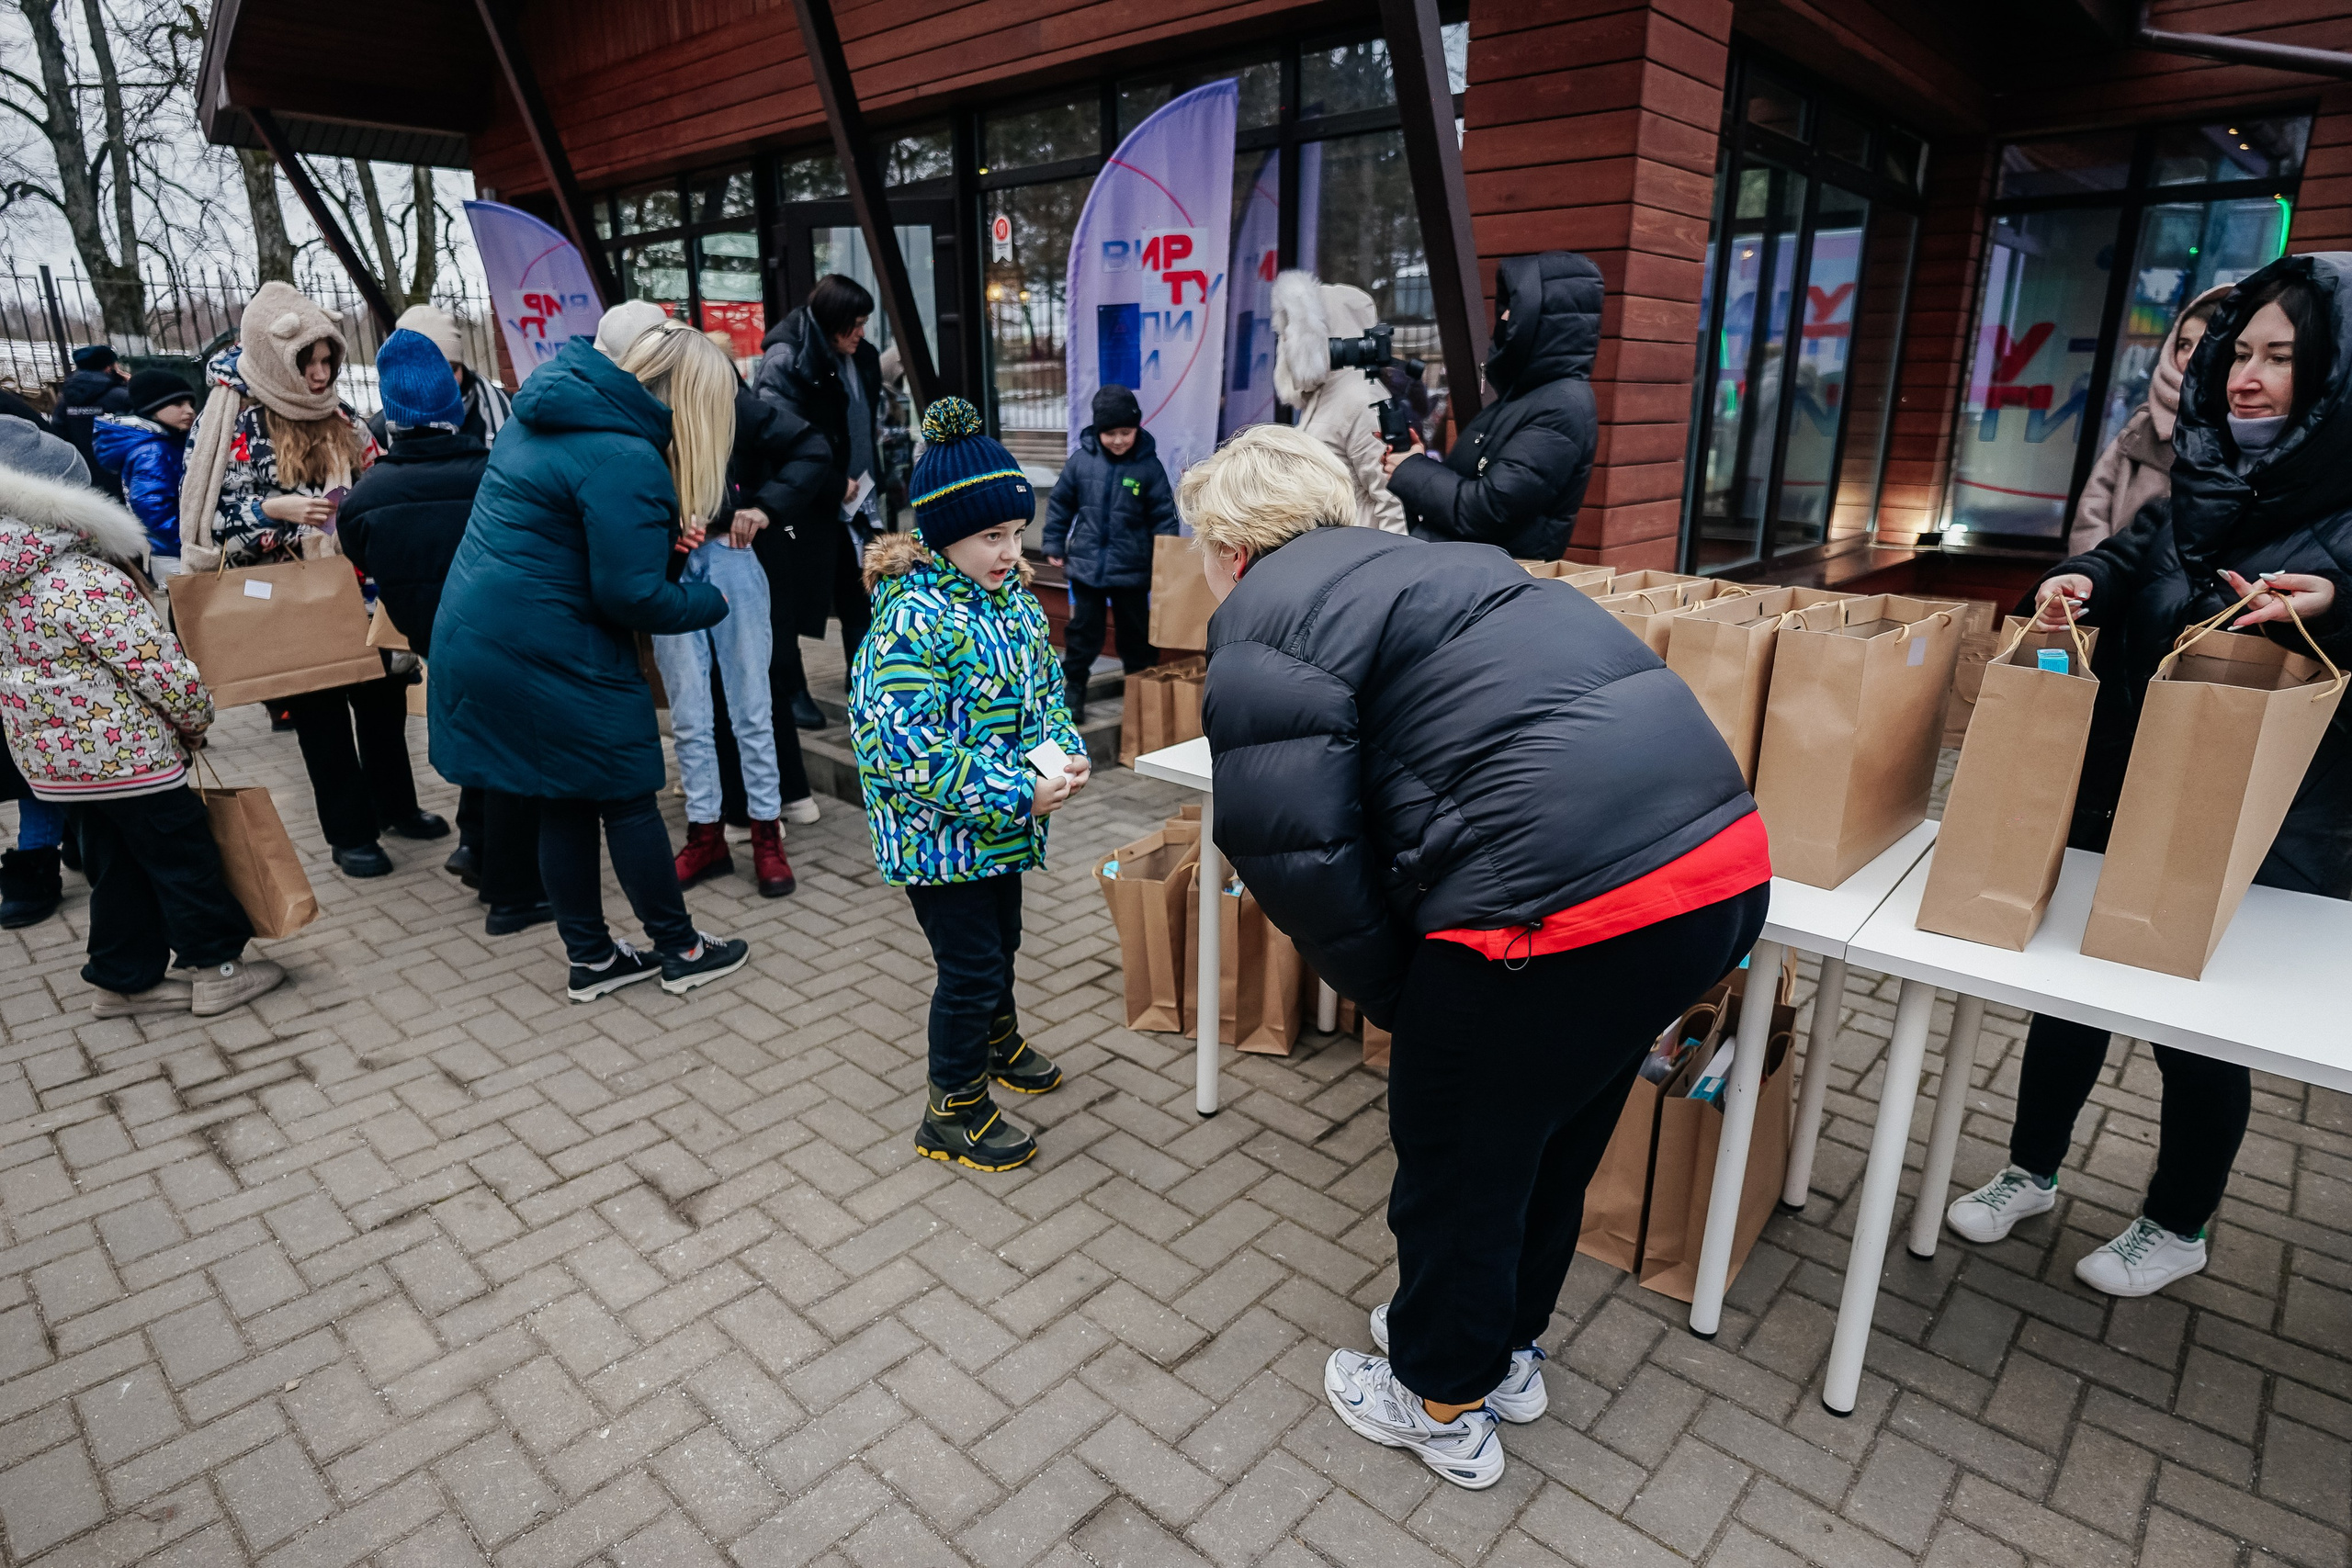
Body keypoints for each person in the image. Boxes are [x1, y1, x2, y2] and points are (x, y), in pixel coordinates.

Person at [1189, 423, 1768, 1489]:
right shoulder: (1451, 562)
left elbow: (1298, 859)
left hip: (1552, 916)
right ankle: (1502, 1355)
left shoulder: (1260, 623)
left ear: (1229, 548)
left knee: (1459, 1160)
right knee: (1552, 1130)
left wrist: (1409, 999)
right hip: (1715, 870)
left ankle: (1439, 1399)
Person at [1947, 254, 2352, 1298]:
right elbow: (2125, 561)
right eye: (2241, 353)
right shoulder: (2196, 484)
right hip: (2123, 790)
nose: (2248, 377)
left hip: (2264, 826)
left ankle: (2177, 1222)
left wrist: (2337, 598)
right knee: (2068, 999)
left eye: (2282, 358)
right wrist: (2074, 580)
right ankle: (2029, 1170)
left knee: (2197, 1031)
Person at [430, 326, 751, 1003]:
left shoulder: (548, 411)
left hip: (488, 635)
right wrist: (709, 598)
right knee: (628, 793)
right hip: (550, 648)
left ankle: (593, 959)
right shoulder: (627, 457)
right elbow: (628, 595)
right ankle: (681, 948)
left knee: (562, 798)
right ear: (690, 403)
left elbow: (576, 546)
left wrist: (661, 547)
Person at [849, 397, 1083, 1172]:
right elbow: (903, 750)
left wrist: (1064, 752)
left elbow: (1045, 690)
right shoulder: (910, 620)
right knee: (971, 963)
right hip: (938, 841)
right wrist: (1018, 789)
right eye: (991, 536)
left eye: (1017, 533)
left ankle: (996, 1035)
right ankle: (952, 1104)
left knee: (1004, 941)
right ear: (943, 532)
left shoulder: (1010, 598)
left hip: (1002, 832)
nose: (1009, 551)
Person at [0, 417, 285, 1017]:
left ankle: (122, 978)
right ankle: (218, 966)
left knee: (116, 866)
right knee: (184, 858)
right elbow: (155, 664)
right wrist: (195, 716)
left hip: (58, 767)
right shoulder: (81, 578)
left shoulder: (10, 585)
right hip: (127, 756)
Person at [180, 282, 443, 878]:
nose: (322, 373)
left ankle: (396, 807)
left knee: (382, 708)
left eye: (328, 359)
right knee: (323, 725)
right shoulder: (233, 423)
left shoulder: (345, 418)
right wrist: (275, 514)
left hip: (361, 590)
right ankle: (350, 836)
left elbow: (379, 481)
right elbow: (208, 528)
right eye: (309, 362)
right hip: (289, 599)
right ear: (278, 359)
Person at [339, 330, 548, 935]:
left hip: (435, 641)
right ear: (451, 407)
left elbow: (362, 554)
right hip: (507, 635)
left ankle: (476, 845)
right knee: (514, 761)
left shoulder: (366, 500)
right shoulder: (494, 475)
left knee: (480, 743)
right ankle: (512, 895)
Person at [634, 321, 797, 900]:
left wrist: (763, 507)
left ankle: (766, 834)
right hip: (673, 569)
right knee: (690, 714)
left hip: (731, 556)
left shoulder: (731, 400)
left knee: (752, 707)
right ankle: (706, 835)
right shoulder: (641, 407)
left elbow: (809, 449)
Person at [1383, 251, 1600, 561]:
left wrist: (1411, 471)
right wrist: (1418, 463)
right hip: (1466, 578)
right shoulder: (1526, 397)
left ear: (1546, 319)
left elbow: (1488, 512)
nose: (1505, 317)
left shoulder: (1561, 406)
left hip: (1485, 592)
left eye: (1516, 307)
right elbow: (1477, 487)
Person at [755, 273, 885, 728]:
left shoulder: (860, 355)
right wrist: (832, 483)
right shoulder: (786, 359)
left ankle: (865, 678)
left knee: (862, 588)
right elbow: (780, 437)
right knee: (790, 600)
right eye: (855, 323)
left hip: (857, 500)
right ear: (831, 322)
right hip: (801, 505)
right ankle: (792, 692)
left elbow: (864, 421)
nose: (862, 332)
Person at [1042, 384, 1179, 721]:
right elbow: (1061, 503)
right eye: (1110, 433)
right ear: (1098, 431)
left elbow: (1164, 516)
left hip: (1132, 569)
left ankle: (1140, 697)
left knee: (1135, 635)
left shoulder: (1149, 467)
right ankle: (1073, 690)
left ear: (1137, 429)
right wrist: (1054, 543)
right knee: (1083, 633)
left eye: (1126, 432)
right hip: (1087, 566)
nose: (1118, 440)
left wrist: (1165, 557)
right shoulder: (1081, 462)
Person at [2069, 285, 2232, 555]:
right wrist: (2097, 576)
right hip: (2115, 581)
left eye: (2206, 343)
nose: (2190, 355)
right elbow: (2093, 511)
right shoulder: (2145, 422)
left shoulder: (2244, 428)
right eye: (2183, 344)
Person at [1270, 271, 1408, 534]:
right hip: (1335, 557)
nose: (1286, 341)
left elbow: (1393, 501)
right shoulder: (1323, 396)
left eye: (1297, 331)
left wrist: (1393, 572)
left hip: (1362, 560)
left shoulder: (1361, 398)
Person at [92, 369, 197, 577]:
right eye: (178, 404)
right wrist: (192, 539)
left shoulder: (166, 441)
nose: (190, 411)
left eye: (190, 404)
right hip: (175, 552)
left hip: (172, 549)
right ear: (152, 407)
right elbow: (151, 506)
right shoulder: (153, 451)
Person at [363, 303, 513, 448]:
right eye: (431, 373)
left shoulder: (508, 410)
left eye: (452, 369)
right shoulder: (378, 431)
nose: (446, 382)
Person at [53, 344, 129, 497]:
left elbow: (58, 435)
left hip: (82, 476)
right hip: (122, 477)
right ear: (109, 368)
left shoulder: (65, 400)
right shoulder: (122, 396)